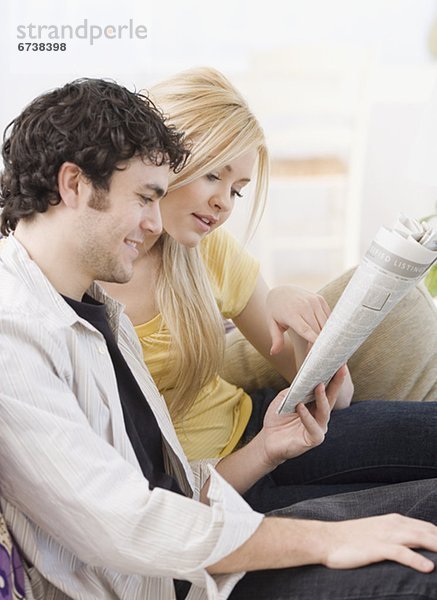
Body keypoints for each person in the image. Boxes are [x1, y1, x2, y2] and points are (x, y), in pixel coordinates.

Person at [1, 78, 437, 600]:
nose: (152, 221)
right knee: (416, 567)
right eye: (144, 197)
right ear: (73, 184)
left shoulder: (98, 309)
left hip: (206, 527)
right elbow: (128, 524)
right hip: (168, 580)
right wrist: (324, 539)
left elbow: (174, 487)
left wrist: (269, 447)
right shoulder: (16, 334)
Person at [103, 67, 437, 513]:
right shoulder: (80, 286)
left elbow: (337, 402)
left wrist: (308, 338)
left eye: (237, 191)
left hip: (269, 425)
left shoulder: (210, 253)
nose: (223, 203)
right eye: (213, 177)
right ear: (162, 157)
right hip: (225, 483)